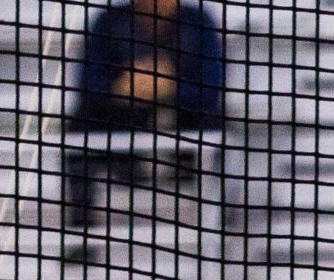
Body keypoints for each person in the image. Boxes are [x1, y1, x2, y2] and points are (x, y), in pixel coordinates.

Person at [63, 0, 225, 232]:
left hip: (185, 124)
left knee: (213, 122)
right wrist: (124, 88)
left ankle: (217, 226)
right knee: (80, 127)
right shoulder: (109, 22)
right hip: (122, 122)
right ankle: (80, 231)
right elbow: (89, 86)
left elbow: (211, 88)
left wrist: (168, 85)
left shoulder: (197, 22)